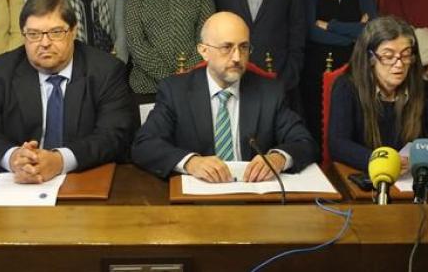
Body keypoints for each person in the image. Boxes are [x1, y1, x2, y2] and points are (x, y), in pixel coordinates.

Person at [0, 0, 137, 183]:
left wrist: (60, 161)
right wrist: (15, 158)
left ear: (73, 31)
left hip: (84, 180)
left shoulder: (106, 70)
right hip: (17, 185)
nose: (45, 43)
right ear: (23, 35)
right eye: (34, 34)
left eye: (56, 33)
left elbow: (114, 135)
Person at [132, 12, 318, 182]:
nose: (237, 57)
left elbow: (304, 142)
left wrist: (278, 158)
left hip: (254, 195)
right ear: (204, 51)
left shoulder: (270, 91)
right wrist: (191, 162)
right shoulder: (175, 90)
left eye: (244, 47)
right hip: (197, 197)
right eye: (227, 47)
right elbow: (144, 145)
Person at [328, 16, 428, 172]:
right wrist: (381, 161)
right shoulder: (347, 87)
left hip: (412, 181)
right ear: (370, 58)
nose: (399, 64)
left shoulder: (426, 90)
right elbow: (338, 144)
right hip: (366, 178)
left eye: (405, 55)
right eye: (388, 56)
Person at [300, 0, 378, 145]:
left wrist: (331, 26)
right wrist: (355, 33)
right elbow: (311, 32)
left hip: (355, 69)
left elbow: (372, 31)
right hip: (315, 71)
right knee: (318, 126)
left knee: (353, 123)